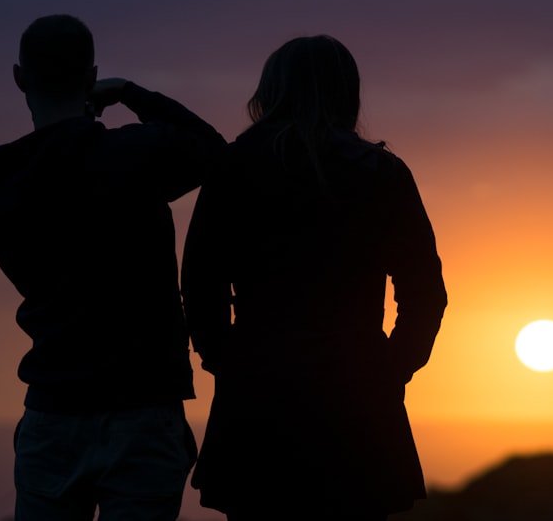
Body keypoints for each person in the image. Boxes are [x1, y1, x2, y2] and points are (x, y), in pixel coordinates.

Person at [0, 14, 226, 520]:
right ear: (91, 74)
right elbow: (214, 152)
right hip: (144, 410)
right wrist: (128, 92)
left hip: (53, 412)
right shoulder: (135, 155)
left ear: (19, 78)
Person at [181, 35, 447, 520]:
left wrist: (230, 363)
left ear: (270, 90)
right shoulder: (383, 173)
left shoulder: (233, 167)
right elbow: (426, 295)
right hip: (359, 401)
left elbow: (200, 285)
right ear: (348, 92)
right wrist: (390, 371)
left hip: (257, 400)